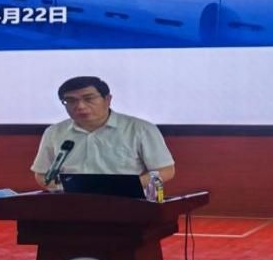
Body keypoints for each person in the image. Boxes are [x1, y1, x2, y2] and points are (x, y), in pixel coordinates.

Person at [31, 76, 176, 190]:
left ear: (107, 99)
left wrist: (125, 187)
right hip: (72, 203)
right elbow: (42, 174)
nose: (80, 106)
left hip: (127, 203)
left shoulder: (141, 129)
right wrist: (61, 189)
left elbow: (165, 171)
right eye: (71, 100)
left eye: (88, 99)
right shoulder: (54, 132)